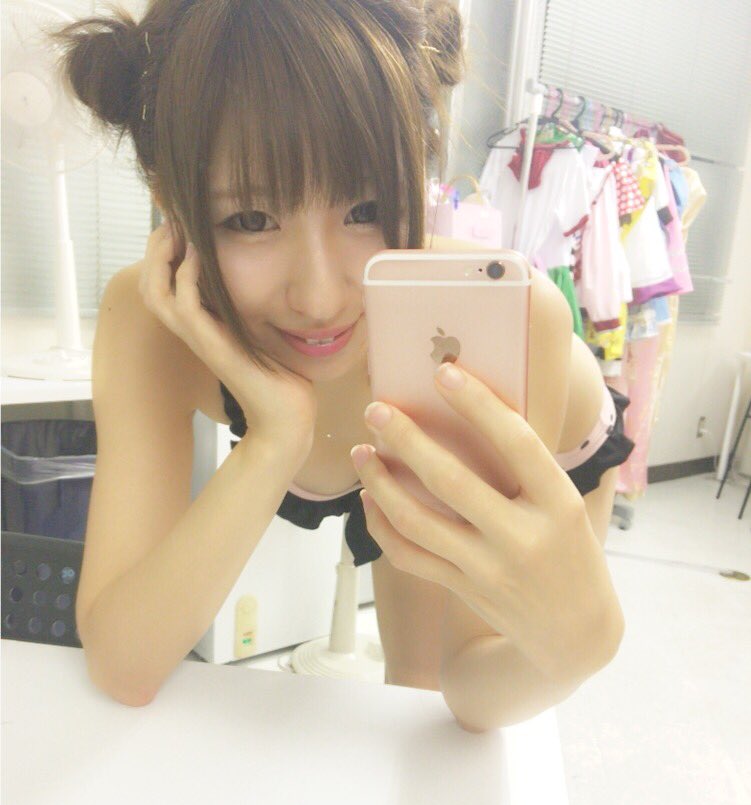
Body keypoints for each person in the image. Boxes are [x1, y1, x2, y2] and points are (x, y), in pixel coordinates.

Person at [48, 0, 634, 732]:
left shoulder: (506, 320)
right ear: (171, 205)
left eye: (366, 206)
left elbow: (469, 695)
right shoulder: (151, 322)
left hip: (545, 433)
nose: (321, 299)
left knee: (417, 693)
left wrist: (575, 648)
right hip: (391, 434)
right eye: (251, 220)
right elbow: (122, 665)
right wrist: (273, 438)